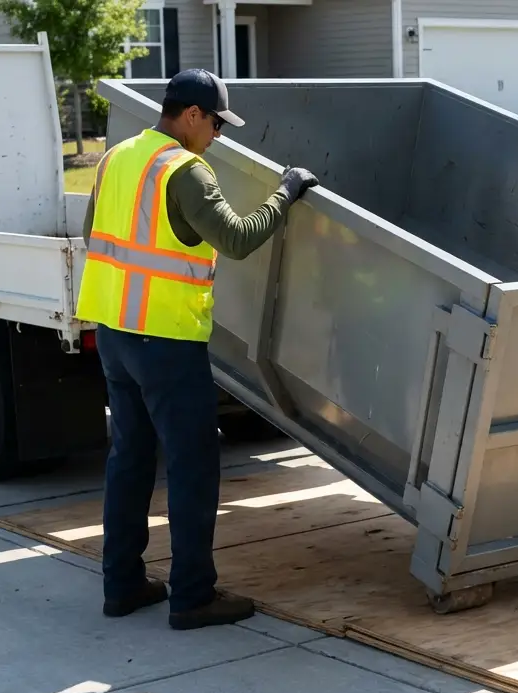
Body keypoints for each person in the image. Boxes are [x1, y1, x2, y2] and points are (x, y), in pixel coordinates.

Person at [74, 69, 318, 631]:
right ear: (189, 115)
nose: (217, 135)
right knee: (191, 466)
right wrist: (288, 191)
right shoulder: (184, 170)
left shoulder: (117, 158)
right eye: (214, 123)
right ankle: (191, 597)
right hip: (166, 340)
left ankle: (122, 585)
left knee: (129, 460)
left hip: (115, 333)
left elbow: (94, 234)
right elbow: (235, 238)